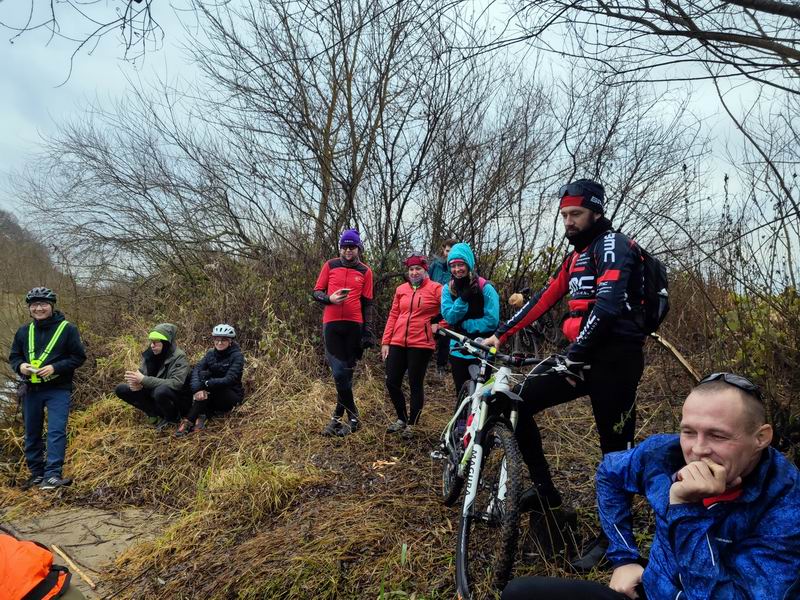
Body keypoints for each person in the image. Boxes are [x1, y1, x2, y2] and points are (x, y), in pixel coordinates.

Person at [501, 373, 800, 600]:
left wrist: (686, 510)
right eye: (688, 431)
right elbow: (609, 474)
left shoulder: (786, 507)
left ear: (761, 437)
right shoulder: (662, 455)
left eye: (718, 436)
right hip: (650, 591)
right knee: (520, 593)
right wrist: (624, 557)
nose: (697, 449)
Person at [484, 179, 645, 567]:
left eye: (575, 214)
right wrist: (500, 335)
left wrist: (577, 352)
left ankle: (616, 539)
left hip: (615, 360)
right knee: (514, 404)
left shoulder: (613, 246)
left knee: (614, 452)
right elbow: (543, 299)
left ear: (596, 212)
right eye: (564, 215)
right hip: (582, 358)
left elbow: (607, 307)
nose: (569, 222)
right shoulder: (575, 258)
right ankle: (544, 493)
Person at [9, 287, 86, 490]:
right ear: (29, 308)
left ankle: (52, 475)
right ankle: (36, 474)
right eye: (34, 305)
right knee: (32, 432)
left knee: (56, 431)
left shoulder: (67, 329)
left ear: (51, 306)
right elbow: (14, 357)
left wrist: (55, 367)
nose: (39, 308)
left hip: (58, 389)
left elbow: (78, 357)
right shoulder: (24, 331)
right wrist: (21, 366)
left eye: (43, 304)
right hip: (31, 390)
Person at [312, 229, 375, 437]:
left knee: (345, 376)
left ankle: (336, 420)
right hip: (331, 325)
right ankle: (354, 416)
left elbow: (367, 304)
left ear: (358, 248)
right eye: (345, 247)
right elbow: (316, 292)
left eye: (352, 247)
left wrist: (367, 332)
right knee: (339, 373)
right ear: (340, 247)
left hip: (353, 326)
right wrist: (329, 299)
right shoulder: (330, 265)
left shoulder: (365, 271)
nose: (348, 250)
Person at [381, 253, 444, 438]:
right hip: (397, 341)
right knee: (391, 381)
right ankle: (401, 418)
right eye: (411, 269)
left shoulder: (436, 289)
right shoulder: (401, 289)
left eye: (418, 269)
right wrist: (386, 341)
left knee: (415, 383)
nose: (414, 272)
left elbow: (451, 311)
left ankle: (413, 424)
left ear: (425, 270)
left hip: (421, 344)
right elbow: (393, 315)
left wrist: (439, 326)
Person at [440, 242, 500, 399]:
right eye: (453, 265)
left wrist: (467, 324)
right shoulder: (448, 289)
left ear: (469, 264)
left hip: (483, 348)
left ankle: (482, 422)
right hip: (458, 348)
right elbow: (449, 317)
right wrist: (463, 299)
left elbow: (492, 321)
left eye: (461, 265)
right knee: (461, 392)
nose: (457, 269)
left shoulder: (485, 288)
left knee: (482, 394)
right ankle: (461, 422)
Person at [114, 323, 190, 430]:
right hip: (153, 394)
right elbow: (142, 374)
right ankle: (153, 413)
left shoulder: (179, 357)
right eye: (151, 342)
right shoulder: (149, 355)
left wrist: (144, 380)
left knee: (160, 391)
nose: (152, 346)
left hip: (174, 399)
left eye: (155, 343)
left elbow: (176, 383)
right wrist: (137, 383)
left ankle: (172, 418)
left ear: (165, 343)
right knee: (121, 389)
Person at [176, 323, 245, 437]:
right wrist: (197, 389)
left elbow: (229, 380)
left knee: (211, 387)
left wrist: (206, 383)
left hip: (230, 395)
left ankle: (189, 420)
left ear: (230, 341)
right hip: (210, 393)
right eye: (217, 339)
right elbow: (196, 370)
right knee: (190, 377)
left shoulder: (237, 356)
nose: (219, 343)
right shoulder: (210, 354)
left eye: (223, 340)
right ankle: (201, 416)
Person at [428, 238, 457, 375]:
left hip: (449, 308)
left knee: (445, 337)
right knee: (427, 334)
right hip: (432, 306)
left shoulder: (456, 268)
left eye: (452, 251)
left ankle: (441, 366)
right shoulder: (435, 266)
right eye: (447, 251)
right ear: (443, 250)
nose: (449, 254)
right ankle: (424, 362)